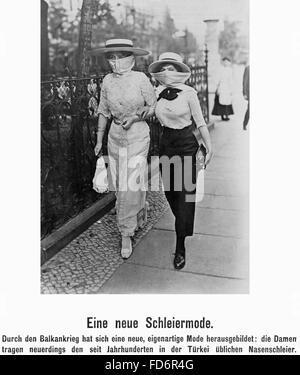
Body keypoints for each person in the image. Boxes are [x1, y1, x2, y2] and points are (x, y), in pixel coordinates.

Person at [148, 52, 213, 270]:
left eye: (172, 67)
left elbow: (201, 122)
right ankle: (184, 222)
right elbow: (149, 112)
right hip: (166, 144)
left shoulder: (189, 93)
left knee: (184, 195)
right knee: (170, 193)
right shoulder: (157, 92)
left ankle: (180, 246)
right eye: (164, 68)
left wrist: (209, 146)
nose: (167, 72)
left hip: (186, 145)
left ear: (179, 71)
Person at [94, 39, 156, 259]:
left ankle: (126, 233)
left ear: (131, 57)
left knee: (130, 182)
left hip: (138, 135)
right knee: (123, 182)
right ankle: (139, 211)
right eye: (111, 57)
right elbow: (103, 110)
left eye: (120, 56)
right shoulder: (107, 81)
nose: (115, 62)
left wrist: (136, 117)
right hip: (115, 136)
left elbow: (152, 106)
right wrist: (99, 138)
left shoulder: (140, 79)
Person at [212, 57, 234, 121]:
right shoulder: (220, 69)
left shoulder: (230, 70)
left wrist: (231, 89)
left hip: (227, 87)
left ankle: (227, 115)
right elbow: (217, 79)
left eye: (227, 62)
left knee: (227, 101)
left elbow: (231, 80)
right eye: (225, 61)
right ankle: (222, 115)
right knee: (220, 102)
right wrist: (217, 87)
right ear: (223, 62)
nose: (226, 63)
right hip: (221, 86)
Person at [243, 64, 250, 130]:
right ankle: (244, 124)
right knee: (249, 110)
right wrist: (244, 93)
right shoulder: (248, 68)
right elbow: (245, 81)